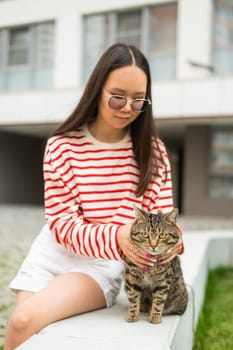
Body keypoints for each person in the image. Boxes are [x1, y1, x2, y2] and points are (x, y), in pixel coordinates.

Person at [4, 43, 183, 349]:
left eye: (138, 100)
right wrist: (117, 235)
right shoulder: (62, 146)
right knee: (20, 328)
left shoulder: (153, 152)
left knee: (24, 321)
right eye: (117, 97)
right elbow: (61, 223)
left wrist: (173, 240)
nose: (127, 107)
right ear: (97, 90)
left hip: (103, 261)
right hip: (54, 250)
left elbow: (163, 218)